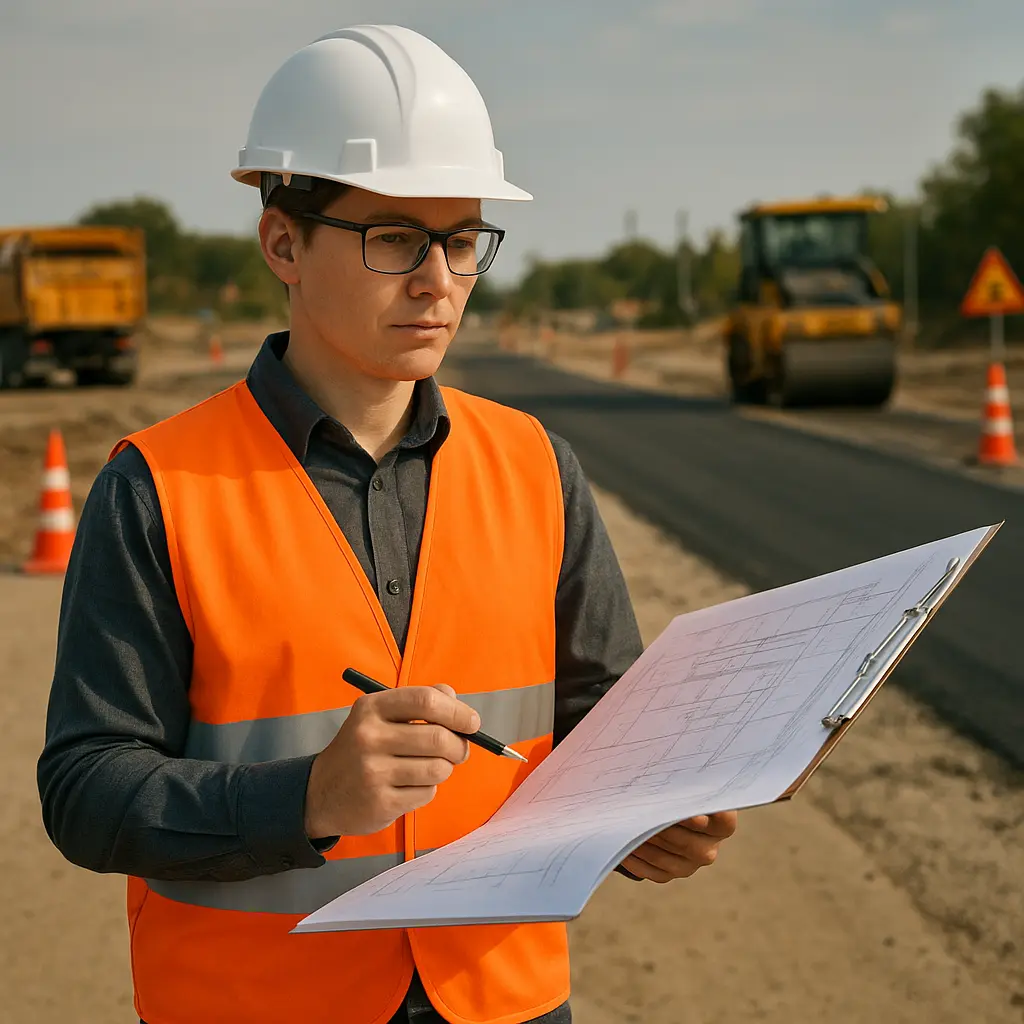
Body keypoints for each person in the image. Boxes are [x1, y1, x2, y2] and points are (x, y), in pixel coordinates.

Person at [37, 24, 738, 1024]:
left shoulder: (537, 465)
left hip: (504, 1000)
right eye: (396, 238)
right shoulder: (158, 487)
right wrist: (308, 800)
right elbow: (86, 789)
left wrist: (649, 815)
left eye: (461, 241)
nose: (438, 281)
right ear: (283, 240)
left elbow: (600, 726)